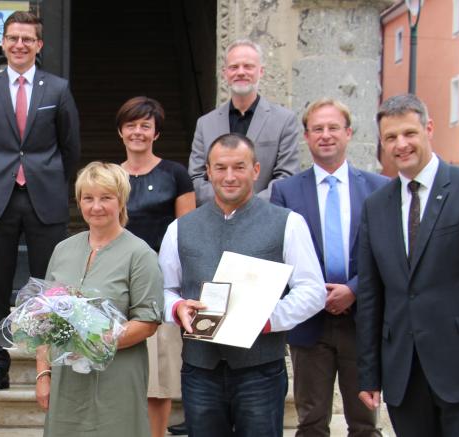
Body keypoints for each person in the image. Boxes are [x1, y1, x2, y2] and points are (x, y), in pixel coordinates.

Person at [355, 94, 459, 436]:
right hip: (404, 373)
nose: (401, 145)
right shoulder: (376, 206)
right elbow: (371, 297)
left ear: (428, 129)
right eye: (390, 138)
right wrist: (369, 374)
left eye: (409, 133)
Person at [161, 133, 325, 437]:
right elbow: (165, 288)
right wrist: (177, 307)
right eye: (220, 168)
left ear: (256, 170)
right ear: (208, 172)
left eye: (239, 167)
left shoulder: (288, 223)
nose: (230, 176)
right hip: (200, 370)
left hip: (260, 370)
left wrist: (268, 319)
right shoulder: (179, 229)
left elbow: (312, 291)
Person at [0, 10, 81, 394]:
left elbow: (70, 147)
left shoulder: (57, 89)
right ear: (3, 43)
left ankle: (51, 361)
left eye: (27, 39)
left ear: (39, 45)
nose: (19, 45)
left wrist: (53, 185)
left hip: (43, 198)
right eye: (13, 38)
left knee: (51, 285)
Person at [269, 98, 388, 437]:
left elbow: (387, 255)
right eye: (317, 129)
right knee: (311, 421)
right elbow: (279, 253)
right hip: (310, 323)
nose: (325, 135)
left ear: (348, 133)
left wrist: (354, 289)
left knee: (365, 422)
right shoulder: (286, 191)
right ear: (306, 137)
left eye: (333, 127)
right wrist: (313, 296)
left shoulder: (379, 189)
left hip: (361, 320)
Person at [36, 161, 163, 437]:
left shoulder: (140, 254)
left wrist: (94, 341)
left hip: (116, 377)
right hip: (66, 378)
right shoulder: (63, 250)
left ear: (121, 201)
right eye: (88, 198)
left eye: (106, 198)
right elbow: (45, 319)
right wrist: (43, 374)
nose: (96, 206)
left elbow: (148, 322)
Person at [114, 96, 194, 437]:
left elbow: (188, 234)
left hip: (161, 285)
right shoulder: (111, 176)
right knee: (119, 373)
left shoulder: (175, 174)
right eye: (131, 125)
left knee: (158, 379)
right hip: (117, 284)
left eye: (145, 126)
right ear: (121, 131)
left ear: (156, 133)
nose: (138, 132)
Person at [187, 40, 300, 206]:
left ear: (261, 71)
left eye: (248, 66)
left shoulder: (284, 120)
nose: (241, 72)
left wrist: (249, 206)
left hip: (264, 218)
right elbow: (196, 177)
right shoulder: (205, 123)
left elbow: (287, 176)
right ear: (225, 73)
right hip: (217, 218)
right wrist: (226, 202)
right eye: (234, 67)